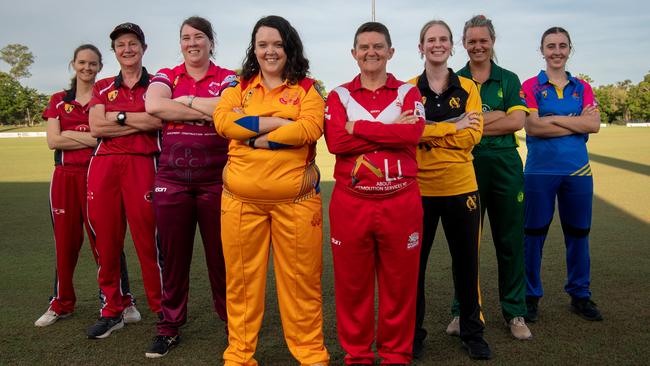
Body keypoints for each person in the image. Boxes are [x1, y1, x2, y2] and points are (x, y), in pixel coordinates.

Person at [213, 15, 329, 366]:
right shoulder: (238, 86)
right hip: (239, 203)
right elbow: (222, 122)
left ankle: (310, 355)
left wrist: (253, 136)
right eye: (263, 44)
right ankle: (239, 355)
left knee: (302, 284)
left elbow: (310, 129)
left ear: (289, 46)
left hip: (295, 203)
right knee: (241, 284)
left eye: (277, 44)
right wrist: (280, 123)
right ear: (254, 49)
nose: (270, 51)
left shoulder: (308, 88)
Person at [324, 22, 424, 365]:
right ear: (354, 53)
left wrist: (358, 128)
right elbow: (336, 141)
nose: (371, 52)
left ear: (391, 52)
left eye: (378, 46)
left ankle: (396, 354)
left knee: (400, 286)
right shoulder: (338, 95)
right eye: (364, 47)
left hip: (401, 201)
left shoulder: (408, 93)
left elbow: (412, 136)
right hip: (352, 204)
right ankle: (358, 356)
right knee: (353, 287)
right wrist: (390, 130)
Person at [143, 16, 236, 358]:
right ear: (180, 43)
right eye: (186, 38)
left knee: (223, 258)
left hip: (218, 179)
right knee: (173, 258)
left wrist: (183, 105)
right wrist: (205, 111)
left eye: (199, 37)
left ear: (211, 42)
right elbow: (153, 105)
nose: (192, 43)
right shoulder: (166, 75)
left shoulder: (228, 77)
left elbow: (231, 110)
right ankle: (168, 327)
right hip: (172, 180)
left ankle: (233, 325)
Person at [35, 45, 138, 328]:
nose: (87, 68)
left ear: (99, 66)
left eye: (93, 63)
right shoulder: (58, 100)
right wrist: (90, 134)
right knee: (65, 244)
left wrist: (73, 133)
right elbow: (54, 141)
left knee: (106, 242)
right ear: (73, 64)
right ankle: (61, 303)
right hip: (64, 177)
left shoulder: (105, 96)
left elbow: (103, 138)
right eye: (82, 62)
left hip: (98, 175)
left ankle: (124, 300)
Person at [408, 19, 492, 360]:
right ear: (421, 46)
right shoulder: (409, 89)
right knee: (414, 267)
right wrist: (450, 126)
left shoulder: (468, 87)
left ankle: (473, 333)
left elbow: (472, 134)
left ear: (450, 46)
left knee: (467, 264)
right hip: (419, 189)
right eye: (431, 39)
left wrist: (431, 129)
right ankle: (412, 336)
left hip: (461, 187)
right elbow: (409, 133)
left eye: (443, 39)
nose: (437, 44)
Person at [454, 15, 532, 340]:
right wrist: (495, 115)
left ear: (492, 41)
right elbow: (447, 125)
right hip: (464, 163)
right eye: (472, 41)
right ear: (464, 43)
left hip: (505, 164)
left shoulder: (508, 79)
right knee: (465, 243)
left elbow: (516, 122)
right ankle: (463, 312)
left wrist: (473, 121)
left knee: (509, 240)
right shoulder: (452, 80)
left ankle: (515, 313)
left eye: (483, 40)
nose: (478, 46)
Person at [86, 22, 163, 339]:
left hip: (143, 164)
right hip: (103, 166)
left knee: (149, 242)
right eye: (120, 45)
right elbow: (96, 128)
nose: (127, 49)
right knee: (106, 242)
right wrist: (134, 120)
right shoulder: (103, 85)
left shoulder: (158, 83)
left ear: (143, 48)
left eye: (133, 43)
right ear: (114, 51)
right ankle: (112, 310)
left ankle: (163, 311)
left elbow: (156, 119)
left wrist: (114, 117)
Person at [522, 26, 602, 323]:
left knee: (578, 233)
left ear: (570, 49)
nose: (557, 51)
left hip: (578, 171)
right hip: (539, 171)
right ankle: (531, 296)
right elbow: (533, 127)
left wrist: (551, 118)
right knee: (533, 235)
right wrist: (573, 120)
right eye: (551, 46)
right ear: (542, 50)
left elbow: (593, 126)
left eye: (562, 46)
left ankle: (580, 295)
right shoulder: (530, 85)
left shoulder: (583, 88)